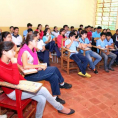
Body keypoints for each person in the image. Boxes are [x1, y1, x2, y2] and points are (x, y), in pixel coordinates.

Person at [0, 41, 75, 118]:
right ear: (4, 52)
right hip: (13, 93)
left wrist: (29, 86)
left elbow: (19, 77)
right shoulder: (3, 66)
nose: (14, 53)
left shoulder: (9, 61)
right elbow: (15, 81)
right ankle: (60, 108)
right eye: (12, 50)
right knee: (43, 89)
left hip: (21, 87)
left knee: (42, 99)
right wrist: (14, 64)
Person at [17, 34, 72, 104]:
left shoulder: (33, 49)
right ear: (30, 42)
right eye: (36, 41)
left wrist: (40, 65)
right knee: (54, 69)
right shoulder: (25, 51)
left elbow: (37, 61)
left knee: (54, 76)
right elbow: (25, 66)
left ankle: (55, 97)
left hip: (35, 71)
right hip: (30, 75)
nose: (37, 42)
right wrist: (38, 66)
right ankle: (61, 83)